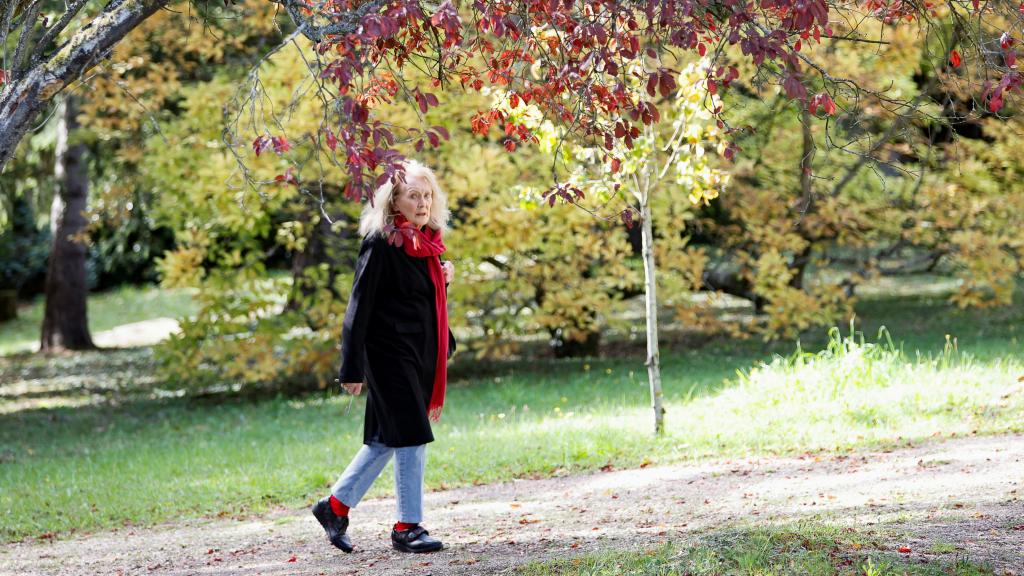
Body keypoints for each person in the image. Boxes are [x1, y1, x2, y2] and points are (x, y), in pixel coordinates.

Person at [311, 160, 456, 554]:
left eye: (427, 195)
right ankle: (407, 527)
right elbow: (358, 306)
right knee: (411, 435)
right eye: (414, 195)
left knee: (384, 439)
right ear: (394, 201)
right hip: (387, 355)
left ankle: (334, 507)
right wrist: (351, 368)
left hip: (416, 353)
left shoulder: (426, 243)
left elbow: (421, 304)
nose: (423, 202)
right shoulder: (380, 242)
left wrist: (443, 285)